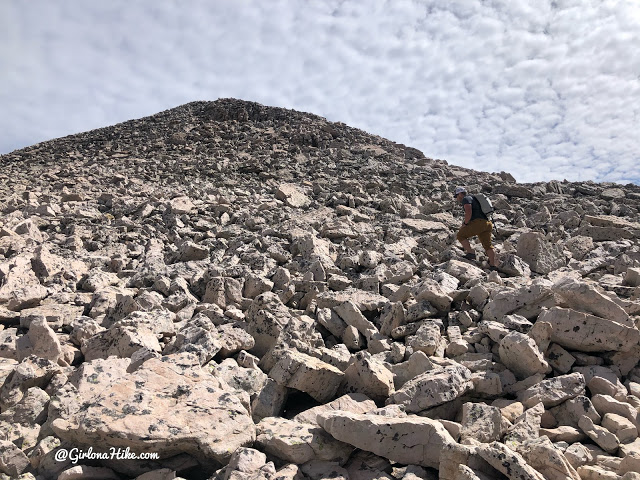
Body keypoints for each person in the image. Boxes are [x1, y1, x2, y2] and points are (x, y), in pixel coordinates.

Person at [454, 186, 497, 268]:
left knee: (460, 235)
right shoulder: (475, 199)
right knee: (488, 245)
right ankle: (493, 265)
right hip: (487, 223)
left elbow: (468, 211)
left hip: (478, 223)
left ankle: (471, 253)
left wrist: (465, 224)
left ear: (460, 194)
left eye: (456, 196)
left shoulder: (466, 199)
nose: (457, 198)